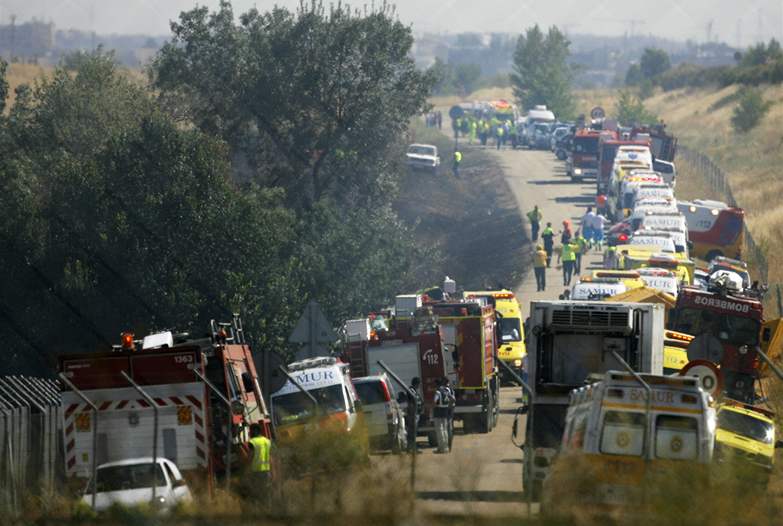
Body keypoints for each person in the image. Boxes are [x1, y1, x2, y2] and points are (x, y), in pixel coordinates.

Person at [247, 423, 272, 504]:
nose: (249, 433)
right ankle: (268, 508)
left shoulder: (252, 442)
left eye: (250, 431)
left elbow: (250, 457)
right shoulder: (267, 441)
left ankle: (260, 509)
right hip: (267, 470)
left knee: (258, 492)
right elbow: (271, 458)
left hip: (257, 472)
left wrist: (247, 469)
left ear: (254, 431)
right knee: (267, 491)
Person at [433, 378, 454, 453]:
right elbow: (452, 399)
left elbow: (435, 402)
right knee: (445, 430)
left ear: (436, 384)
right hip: (445, 412)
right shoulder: (446, 391)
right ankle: (446, 447)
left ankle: (441, 448)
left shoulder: (438, 392)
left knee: (440, 431)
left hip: (438, 412)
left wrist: (432, 407)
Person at [406, 377, 423, 452]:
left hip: (416, 414)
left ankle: (410, 447)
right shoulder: (411, 390)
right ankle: (412, 447)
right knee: (412, 431)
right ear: (416, 383)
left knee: (413, 431)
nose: (419, 385)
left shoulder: (414, 391)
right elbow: (411, 402)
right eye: (419, 383)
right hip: (413, 414)